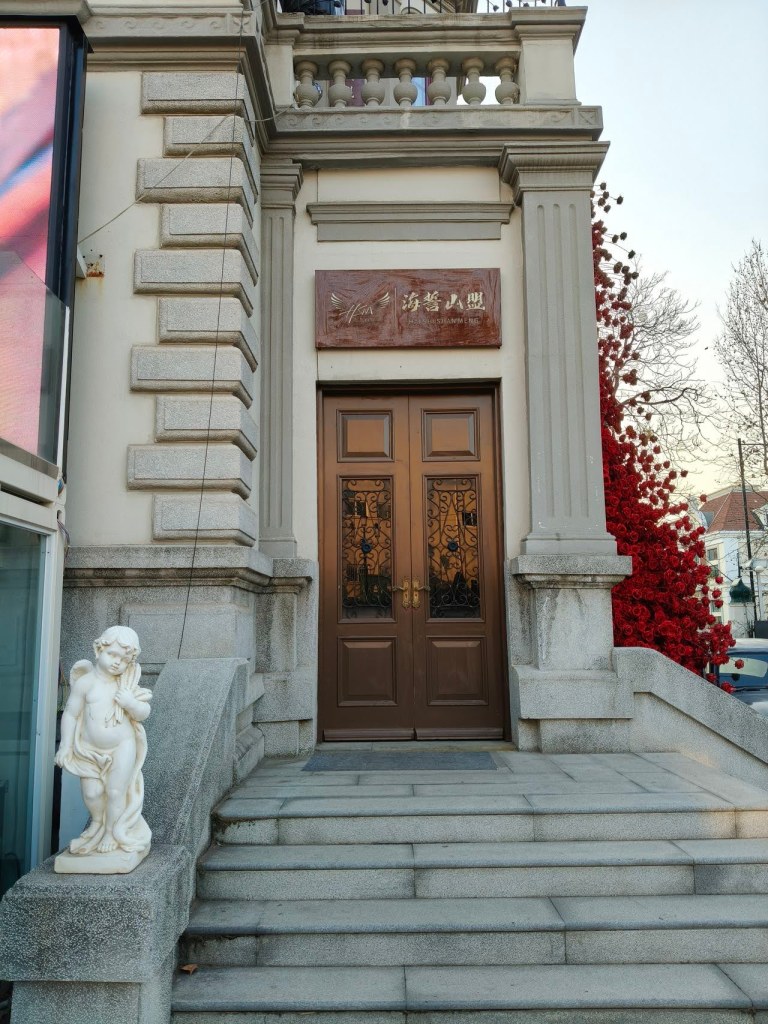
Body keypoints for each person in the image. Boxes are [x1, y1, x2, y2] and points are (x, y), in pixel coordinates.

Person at [55, 626, 152, 856]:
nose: (117, 662)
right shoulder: (85, 683)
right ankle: (98, 821)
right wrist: (65, 745)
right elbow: (71, 714)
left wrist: (130, 703)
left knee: (115, 791)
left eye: (124, 659)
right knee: (92, 793)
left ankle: (110, 832)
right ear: (99, 650)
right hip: (89, 751)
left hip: (122, 746)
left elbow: (143, 712)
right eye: (112, 654)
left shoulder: (126, 685)